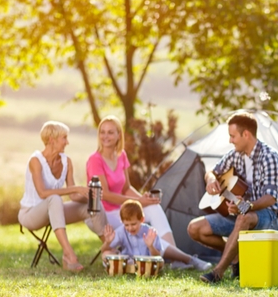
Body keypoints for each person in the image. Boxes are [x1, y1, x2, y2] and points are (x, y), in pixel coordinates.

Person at [86, 115, 209, 270]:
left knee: (154, 207)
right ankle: (184, 258)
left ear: (118, 135)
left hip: (124, 209)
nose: (105, 136)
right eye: (102, 132)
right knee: (146, 231)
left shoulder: (121, 155)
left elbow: (126, 188)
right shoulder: (95, 160)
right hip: (109, 214)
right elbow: (106, 194)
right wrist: (139, 203)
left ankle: (175, 259)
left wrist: (142, 200)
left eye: (110, 132)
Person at [187, 112, 278, 283]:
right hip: (242, 215)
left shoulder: (270, 157)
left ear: (246, 134)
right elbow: (212, 171)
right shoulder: (236, 154)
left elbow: (270, 198)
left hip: (271, 216)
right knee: (195, 228)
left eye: (232, 136)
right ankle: (237, 257)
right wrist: (211, 180)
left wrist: (246, 206)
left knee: (244, 217)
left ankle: (218, 272)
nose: (230, 140)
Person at [18, 121, 107, 272]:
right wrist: (76, 188)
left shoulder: (66, 161)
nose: (68, 142)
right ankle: (68, 254)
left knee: (91, 204)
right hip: (30, 214)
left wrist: (90, 195)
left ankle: (108, 248)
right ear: (52, 139)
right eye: (64, 138)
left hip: (54, 211)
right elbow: (43, 193)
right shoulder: (36, 160)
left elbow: (73, 195)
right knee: (54, 198)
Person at [101, 200, 212, 271]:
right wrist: (108, 242)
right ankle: (126, 267)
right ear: (122, 222)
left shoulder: (150, 232)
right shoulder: (121, 231)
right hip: (130, 261)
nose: (130, 228)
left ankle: (191, 260)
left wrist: (150, 246)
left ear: (142, 220)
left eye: (134, 224)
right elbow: (103, 250)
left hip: (148, 260)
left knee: (160, 262)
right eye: (127, 225)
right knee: (105, 254)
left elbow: (157, 256)